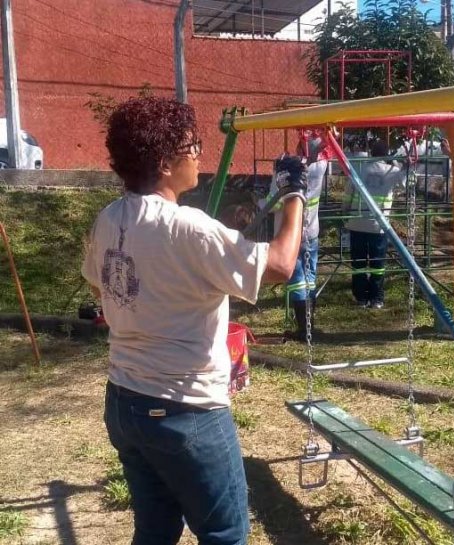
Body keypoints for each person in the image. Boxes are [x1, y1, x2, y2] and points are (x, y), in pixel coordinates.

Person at [81, 96, 306, 545]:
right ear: (165, 162)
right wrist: (295, 192)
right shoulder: (188, 227)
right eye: (193, 145)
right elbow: (281, 264)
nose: (200, 153)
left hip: (126, 402)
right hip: (186, 410)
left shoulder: (110, 218)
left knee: (155, 530)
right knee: (225, 534)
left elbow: (99, 287)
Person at [267, 134, 330, 341]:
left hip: (292, 234)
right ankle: (311, 324)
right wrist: (326, 139)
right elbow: (324, 154)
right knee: (310, 278)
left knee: (296, 280)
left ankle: (303, 328)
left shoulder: (288, 172)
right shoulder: (320, 168)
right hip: (312, 230)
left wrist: (277, 170)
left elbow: (274, 203)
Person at [342, 139, 406, 309]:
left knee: (359, 262)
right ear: (386, 154)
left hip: (357, 223)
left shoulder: (360, 169)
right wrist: (396, 163)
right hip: (379, 226)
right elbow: (408, 184)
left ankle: (361, 297)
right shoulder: (393, 171)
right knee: (378, 264)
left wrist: (344, 213)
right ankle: (376, 298)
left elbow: (348, 195)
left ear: (371, 153)